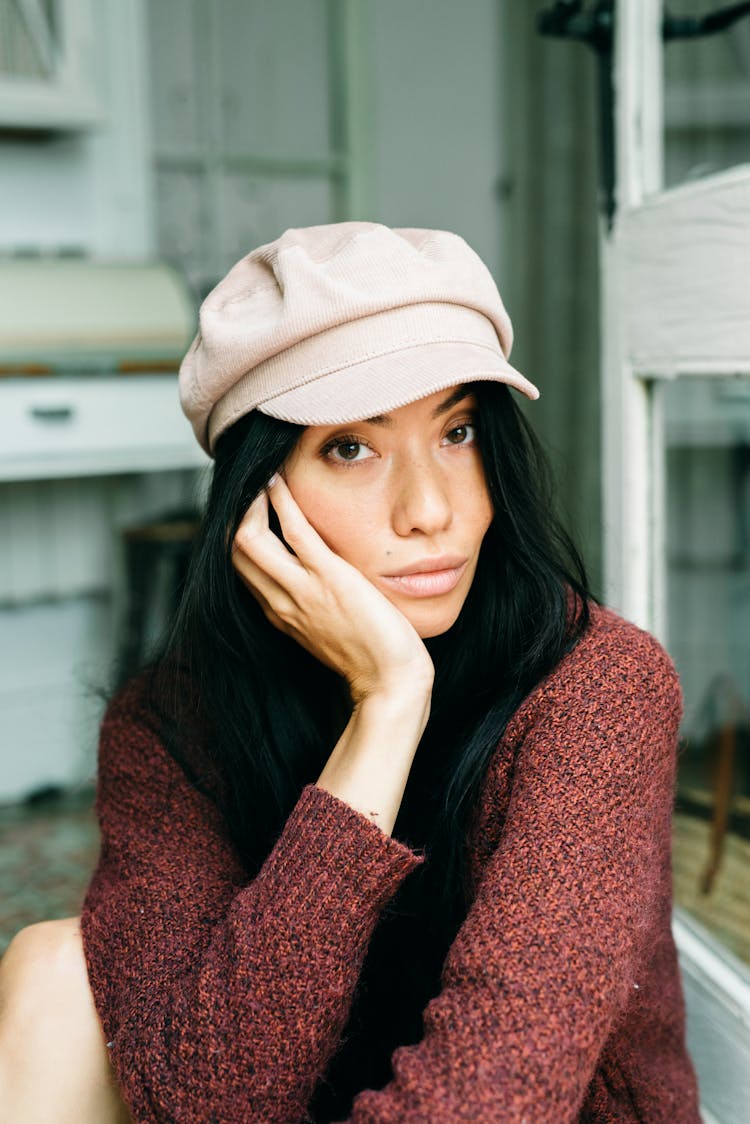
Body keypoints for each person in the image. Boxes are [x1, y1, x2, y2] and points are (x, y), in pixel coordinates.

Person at [0, 223, 701, 1123]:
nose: (431, 511)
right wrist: (387, 712)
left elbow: (493, 1104)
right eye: (351, 448)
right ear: (261, 501)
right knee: (50, 968)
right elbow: (205, 1103)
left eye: (458, 431)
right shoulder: (170, 721)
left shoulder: (598, 686)